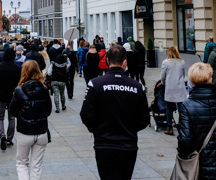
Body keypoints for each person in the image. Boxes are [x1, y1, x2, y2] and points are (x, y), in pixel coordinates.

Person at [80, 45, 150, 180]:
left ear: (107, 60)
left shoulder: (95, 84)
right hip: (128, 144)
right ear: (125, 62)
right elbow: (144, 118)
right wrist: (130, 128)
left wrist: (97, 129)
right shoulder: (137, 87)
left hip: (104, 144)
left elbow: (86, 114)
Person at [177, 63, 216, 179]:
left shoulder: (187, 106)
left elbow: (185, 141)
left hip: (202, 166)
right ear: (210, 79)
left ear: (192, 81)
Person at [9, 61, 52, 180]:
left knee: (22, 163)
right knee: (36, 165)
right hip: (41, 131)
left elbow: (12, 111)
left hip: (25, 131)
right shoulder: (44, 89)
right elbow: (48, 111)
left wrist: (23, 115)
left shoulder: (19, 90)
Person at [0, 48, 22, 150]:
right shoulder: (17, 68)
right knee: (12, 117)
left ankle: (2, 134)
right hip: (12, 95)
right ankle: (9, 138)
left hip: (0, 95)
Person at [160, 46, 186, 136]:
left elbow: (162, 76)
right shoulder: (182, 62)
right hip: (180, 87)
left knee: (169, 108)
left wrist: (163, 83)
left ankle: (170, 127)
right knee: (181, 108)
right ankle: (182, 125)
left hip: (170, 87)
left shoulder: (166, 62)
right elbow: (183, 75)